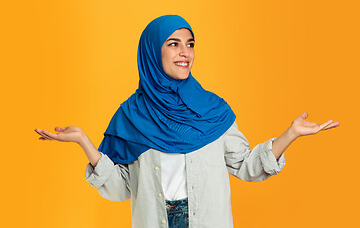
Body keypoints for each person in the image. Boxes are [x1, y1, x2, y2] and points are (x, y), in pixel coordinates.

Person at [34, 15, 340, 228]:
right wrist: (84, 143)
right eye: (174, 44)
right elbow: (121, 190)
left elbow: (247, 166)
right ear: (153, 52)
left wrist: (290, 134)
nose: (186, 53)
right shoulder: (131, 115)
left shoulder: (213, 110)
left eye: (190, 44)